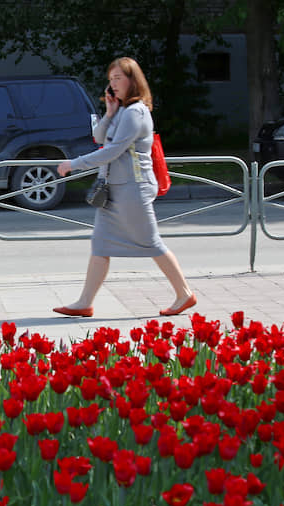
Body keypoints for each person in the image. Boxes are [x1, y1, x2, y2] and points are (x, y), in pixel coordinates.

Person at [54, 57, 195, 318]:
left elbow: (112, 151)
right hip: (114, 190)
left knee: (151, 243)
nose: (113, 84)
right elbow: (99, 137)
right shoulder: (121, 111)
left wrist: (74, 164)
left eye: (118, 78)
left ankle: (184, 293)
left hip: (133, 189)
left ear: (133, 80)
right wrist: (108, 113)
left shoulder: (136, 113)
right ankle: (84, 302)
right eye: (110, 79)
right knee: (100, 244)